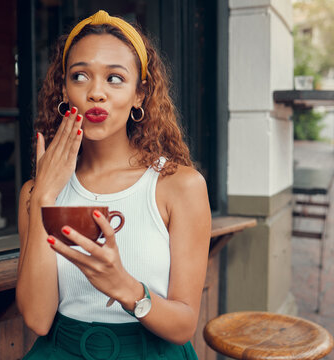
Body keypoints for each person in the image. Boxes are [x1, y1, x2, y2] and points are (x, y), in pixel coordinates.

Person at [16, 10, 211, 360]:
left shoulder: (179, 186)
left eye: (115, 79)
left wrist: (126, 288)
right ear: (64, 89)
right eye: (80, 76)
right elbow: (38, 318)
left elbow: (183, 326)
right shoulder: (36, 192)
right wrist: (44, 196)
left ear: (140, 94)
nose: (96, 93)